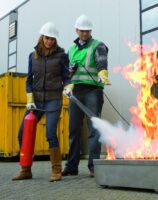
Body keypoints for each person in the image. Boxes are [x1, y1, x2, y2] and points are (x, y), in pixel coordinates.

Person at [12, 22, 70, 182]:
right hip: (36, 101)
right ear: (42, 37)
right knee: (22, 133)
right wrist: (30, 98)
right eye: (46, 38)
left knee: (50, 133)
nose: (49, 41)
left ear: (55, 40)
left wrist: (68, 87)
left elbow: (66, 77)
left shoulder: (62, 56)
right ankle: (25, 169)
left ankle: (56, 170)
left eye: (52, 39)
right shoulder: (33, 56)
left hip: (53, 100)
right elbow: (29, 80)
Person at [62, 15, 110, 177]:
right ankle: (71, 166)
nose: (84, 33)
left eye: (87, 31)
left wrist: (103, 73)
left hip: (92, 91)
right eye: (82, 31)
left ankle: (94, 166)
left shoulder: (98, 45)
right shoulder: (71, 49)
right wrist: (70, 69)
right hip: (75, 92)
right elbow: (65, 71)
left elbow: (101, 61)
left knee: (94, 128)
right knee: (73, 129)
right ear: (77, 30)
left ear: (90, 31)